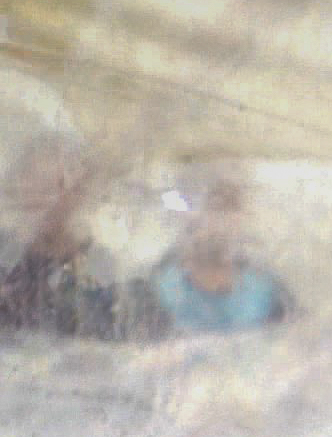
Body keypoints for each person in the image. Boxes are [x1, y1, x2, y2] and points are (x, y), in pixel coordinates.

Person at [132, 162, 293, 334]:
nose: (221, 220)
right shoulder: (158, 292)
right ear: (189, 213)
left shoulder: (266, 293)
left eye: (230, 206)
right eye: (214, 205)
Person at [1, 134, 127, 338]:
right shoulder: (7, 250)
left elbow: (101, 329)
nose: (36, 199)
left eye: (54, 187)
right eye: (29, 184)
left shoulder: (98, 264)